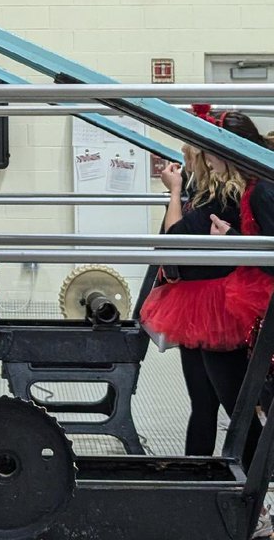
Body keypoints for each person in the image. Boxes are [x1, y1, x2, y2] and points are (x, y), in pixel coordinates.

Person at [140, 112, 274, 537]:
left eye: (199, 154)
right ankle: (209, 489)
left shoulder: (244, 192)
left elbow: (173, 244)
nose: (202, 161)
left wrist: (175, 193)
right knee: (216, 404)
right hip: (213, 303)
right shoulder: (224, 191)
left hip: (226, 304)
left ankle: (255, 501)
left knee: (237, 408)